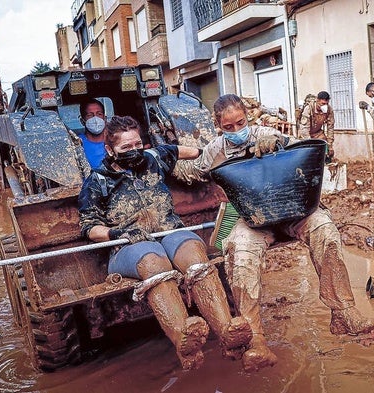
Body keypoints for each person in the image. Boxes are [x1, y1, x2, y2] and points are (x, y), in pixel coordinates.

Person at [185, 94, 374, 373]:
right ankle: (256, 340)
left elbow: (305, 151)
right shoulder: (215, 150)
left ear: (247, 119)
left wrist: (281, 144)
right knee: (240, 251)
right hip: (252, 218)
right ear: (218, 125)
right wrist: (167, 158)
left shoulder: (264, 133)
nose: (237, 131)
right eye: (229, 127)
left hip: (292, 208)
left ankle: (344, 311)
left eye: (241, 123)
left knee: (325, 229)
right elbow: (194, 172)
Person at [78, 115, 253, 370]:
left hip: (170, 232)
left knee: (194, 253)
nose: (134, 151)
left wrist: (223, 156)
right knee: (153, 261)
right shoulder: (97, 181)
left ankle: (227, 332)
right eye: (125, 148)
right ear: (109, 149)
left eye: (137, 144)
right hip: (128, 246)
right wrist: (117, 233)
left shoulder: (155, 158)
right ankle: (184, 341)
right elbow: (89, 227)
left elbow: (191, 151)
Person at [298, 91, 335, 162]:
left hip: (318, 133)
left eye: (327, 104)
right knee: (308, 154)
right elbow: (304, 130)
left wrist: (330, 145)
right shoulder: (309, 109)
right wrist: (311, 144)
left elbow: (330, 127)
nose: (325, 106)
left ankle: (326, 167)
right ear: (317, 101)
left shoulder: (329, 110)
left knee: (325, 150)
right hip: (306, 135)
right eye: (323, 104)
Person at [79, 98, 107, 169]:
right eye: (90, 115)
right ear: (82, 121)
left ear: (105, 118)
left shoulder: (115, 139)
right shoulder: (77, 143)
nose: (95, 119)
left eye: (99, 114)